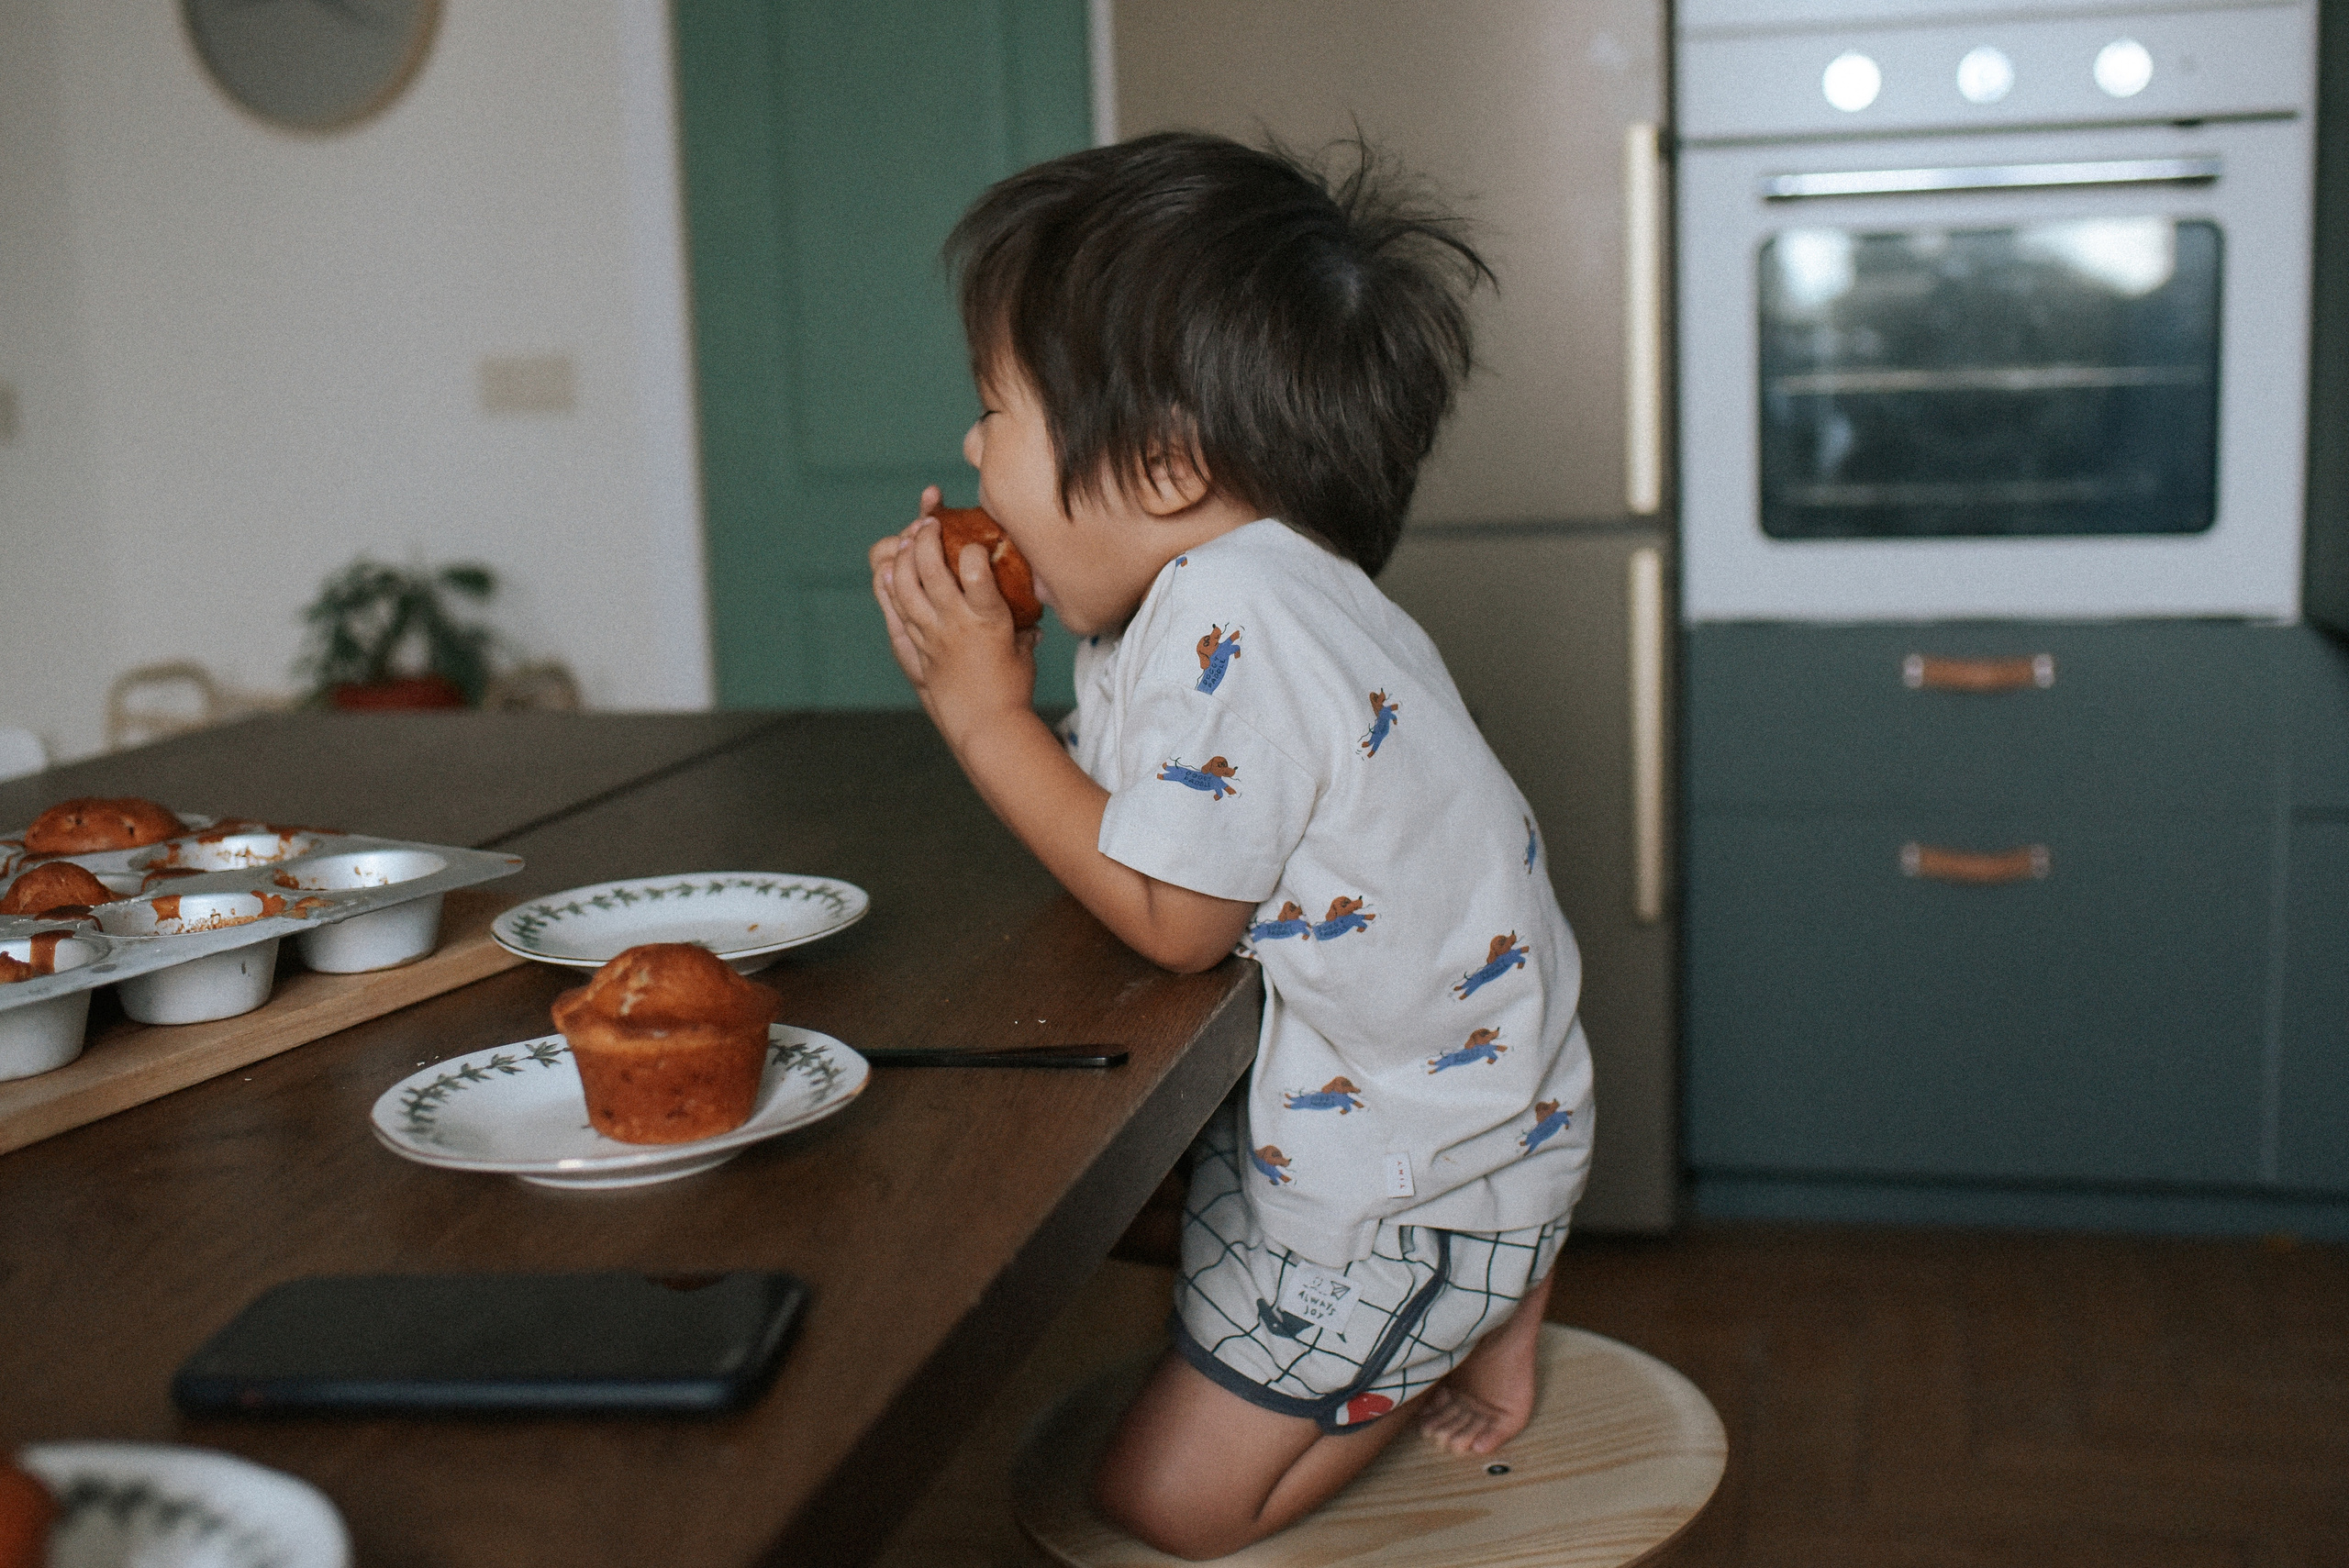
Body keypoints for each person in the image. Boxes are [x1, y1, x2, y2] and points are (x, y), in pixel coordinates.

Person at [869, 131, 1594, 1561]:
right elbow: (1151, 818)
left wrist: (976, 715)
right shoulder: (1221, 595)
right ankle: (1487, 1269)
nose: (969, 450)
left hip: (1422, 1172)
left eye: (995, 410)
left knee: (1162, 1503)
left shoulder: (1239, 620)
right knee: (1070, 1207)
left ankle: (1458, 1312)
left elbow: (1170, 913)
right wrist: (1021, 673)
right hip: (1431, 1097)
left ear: (1160, 464)